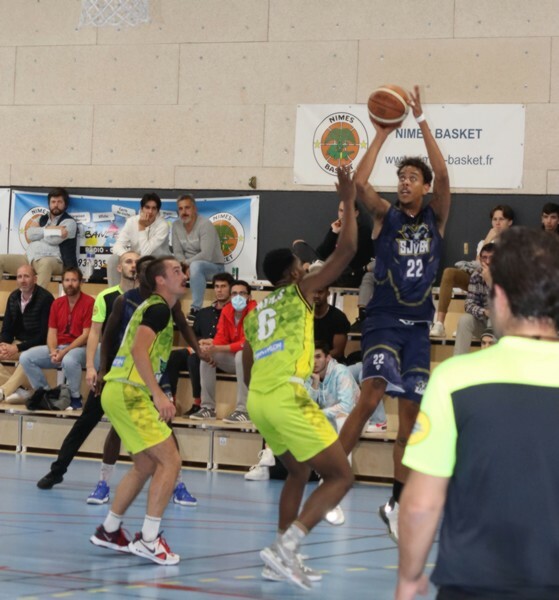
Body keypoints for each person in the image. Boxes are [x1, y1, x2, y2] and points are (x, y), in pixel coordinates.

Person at [396, 228, 559, 600]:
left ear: (499, 296)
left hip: (474, 584)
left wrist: (408, 577)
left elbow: (421, 503)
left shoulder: (454, 379)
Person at [337, 85, 451, 543]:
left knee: (410, 421)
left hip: (418, 328)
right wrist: (382, 132)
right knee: (371, 396)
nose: (404, 182)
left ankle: (396, 504)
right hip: (384, 319)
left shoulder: (436, 217)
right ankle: (332, 477)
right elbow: (359, 186)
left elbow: (445, 177)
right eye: (401, 176)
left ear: (424, 187)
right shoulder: (386, 216)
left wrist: (421, 121)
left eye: (412, 177)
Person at [242, 165, 357, 590]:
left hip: (259, 400)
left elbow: (247, 364)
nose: (306, 269)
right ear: (294, 274)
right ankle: (286, 548)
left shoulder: (255, 312)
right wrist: (348, 200)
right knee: (341, 476)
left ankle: (279, 556)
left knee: (297, 471)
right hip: (287, 396)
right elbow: (347, 251)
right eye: (301, 266)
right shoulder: (301, 291)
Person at [90, 256, 188, 565]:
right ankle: (148, 540)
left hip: (119, 390)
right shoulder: (158, 309)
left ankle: (109, 530)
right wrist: (159, 395)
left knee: (145, 465)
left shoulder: (155, 308)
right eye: (176, 271)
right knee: (170, 461)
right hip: (129, 391)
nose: (183, 275)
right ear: (160, 280)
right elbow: (137, 350)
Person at [35, 252, 138, 493]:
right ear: (119, 268)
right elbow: (94, 334)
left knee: (152, 430)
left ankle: (173, 483)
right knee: (84, 424)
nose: (133, 266)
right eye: (128, 261)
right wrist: (91, 367)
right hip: (108, 374)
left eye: (137, 262)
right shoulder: (106, 297)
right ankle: (57, 471)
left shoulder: (148, 300)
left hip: (136, 376)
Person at [430, 204, 514, 338]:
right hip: (479, 282)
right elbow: (478, 265)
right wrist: (488, 240)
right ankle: (439, 324)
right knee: (449, 273)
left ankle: (473, 326)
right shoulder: (483, 242)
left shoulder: (514, 243)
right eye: (494, 219)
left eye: (501, 219)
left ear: (510, 222)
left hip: (499, 286)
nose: (497, 223)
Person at [19, 266, 94, 410]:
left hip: (80, 349)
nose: (70, 284)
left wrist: (64, 352)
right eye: (67, 280)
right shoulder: (57, 303)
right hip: (59, 348)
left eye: (74, 280)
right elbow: (52, 332)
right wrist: (53, 351)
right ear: (62, 282)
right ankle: (46, 393)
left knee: (69, 359)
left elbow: (86, 335)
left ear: (81, 282)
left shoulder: (89, 302)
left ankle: (75, 397)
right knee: (26, 357)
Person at [165, 271, 234, 416]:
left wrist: (213, 344)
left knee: (195, 358)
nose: (219, 290)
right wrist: (199, 342)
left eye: (223, 286)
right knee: (173, 356)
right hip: (200, 349)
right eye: (216, 286)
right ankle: (170, 401)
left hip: (220, 355)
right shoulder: (203, 313)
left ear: (230, 289)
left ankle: (198, 403)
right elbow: (193, 335)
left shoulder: (235, 313)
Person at [190, 280, 256, 423]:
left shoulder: (255, 311)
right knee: (207, 355)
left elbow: (247, 343)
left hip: (255, 361)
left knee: (241, 355)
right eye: (234, 294)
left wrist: (218, 348)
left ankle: (244, 410)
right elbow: (221, 338)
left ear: (249, 297)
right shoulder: (227, 310)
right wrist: (210, 345)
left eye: (242, 293)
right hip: (235, 359)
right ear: (230, 296)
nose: (238, 297)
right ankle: (208, 408)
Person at [0, 188, 78, 289]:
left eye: (59, 202)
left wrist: (39, 232)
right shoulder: (42, 218)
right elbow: (30, 234)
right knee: (1, 259)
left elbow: (53, 240)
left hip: (55, 260)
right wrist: (50, 229)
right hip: (30, 258)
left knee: (46, 263)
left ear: (65, 204)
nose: (56, 205)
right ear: (49, 204)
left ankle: (36, 298)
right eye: (53, 202)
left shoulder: (69, 222)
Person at [0, 265, 54, 403]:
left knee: (26, 357)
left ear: (35, 279)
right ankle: (21, 389)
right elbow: (7, 329)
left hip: (39, 345)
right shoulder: (13, 297)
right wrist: (3, 345)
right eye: (19, 277)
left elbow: (44, 336)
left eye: (26, 276)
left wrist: (17, 348)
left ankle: (3, 391)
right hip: (18, 343)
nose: (22, 280)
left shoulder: (46, 299)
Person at [293, 198, 373, 287]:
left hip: (348, 273)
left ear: (356, 213)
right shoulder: (336, 228)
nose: (343, 214)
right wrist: (334, 233)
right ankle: (318, 270)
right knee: (298, 243)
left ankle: (316, 270)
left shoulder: (364, 231)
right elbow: (321, 253)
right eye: (341, 211)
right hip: (328, 269)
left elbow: (351, 257)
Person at [171, 194, 225, 321]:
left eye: (187, 208)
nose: (184, 212)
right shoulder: (176, 225)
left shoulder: (205, 224)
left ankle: (196, 309)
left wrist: (187, 264)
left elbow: (206, 254)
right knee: (169, 267)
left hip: (214, 267)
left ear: (195, 209)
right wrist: (184, 267)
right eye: (180, 209)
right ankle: (171, 308)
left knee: (196, 265)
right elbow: (177, 252)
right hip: (189, 268)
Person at [107, 192, 170, 286]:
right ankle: (115, 292)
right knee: (114, 259)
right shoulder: (131, 221)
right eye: (147, 207)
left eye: (154, 208)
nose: (150, 211)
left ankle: (142, 292)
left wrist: (141, 227)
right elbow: (117, 246)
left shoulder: (163, 225)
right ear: (141, 208)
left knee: (145, 263)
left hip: (156, 260)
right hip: (136, 258)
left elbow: (146, 252)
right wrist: (128, 257)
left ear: (158, 211)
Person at [453, 243, 495, 355]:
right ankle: (459, 362)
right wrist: (484, 312)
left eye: (491, 258)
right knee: (465, 320)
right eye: (484, 258)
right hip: (484, 320)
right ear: (480, 260)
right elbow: (469, 304)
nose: (488, 262)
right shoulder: (476, 276)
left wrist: (490, 282)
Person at [313, 286, 350, 362]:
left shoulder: (339, 317)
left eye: (320, 292)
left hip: (332, 362)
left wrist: (315, 359)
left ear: (328, 293)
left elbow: (338, 351)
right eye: (314, 292)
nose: (316, 295)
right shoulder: (303, 316)